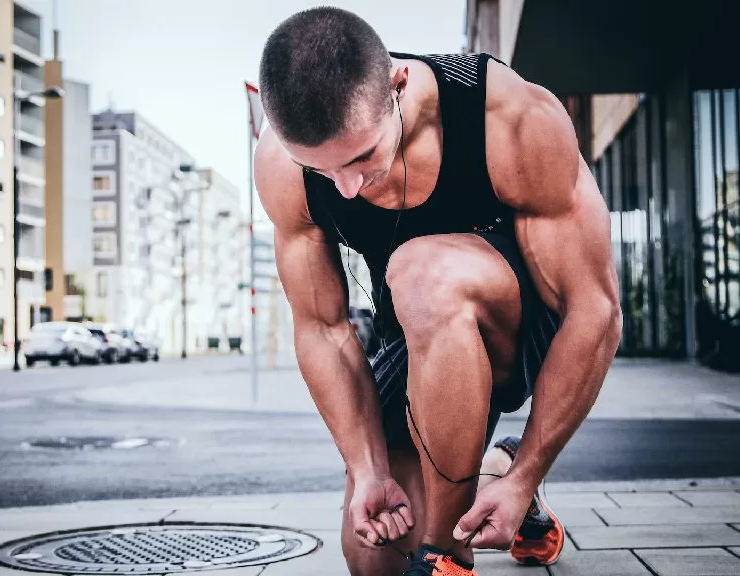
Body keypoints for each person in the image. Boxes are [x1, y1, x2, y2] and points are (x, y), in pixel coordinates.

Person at [253, 7, 622, 576]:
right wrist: (368, 469)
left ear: (398, 86)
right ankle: (487, 474)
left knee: (422, 270)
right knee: (374, 557)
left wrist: (529, 473)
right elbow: (322, 329)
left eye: (359, 158)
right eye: (323, 172)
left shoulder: (506, 114)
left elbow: (594, 309)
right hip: (417, 338)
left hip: (523, 327)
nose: (345, 189)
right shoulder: (281, 164)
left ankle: (447, 557)